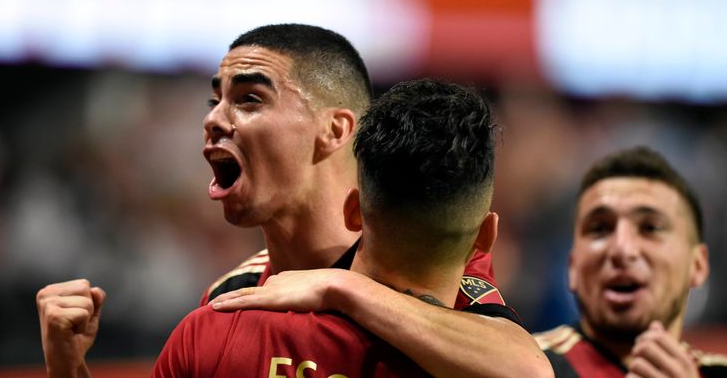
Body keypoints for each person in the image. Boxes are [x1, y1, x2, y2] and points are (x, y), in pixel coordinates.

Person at [37, 24, 550, 378]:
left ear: (333, 130)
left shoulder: (419, 247)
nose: (215, 118)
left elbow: (524, 366)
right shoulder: (229, 303)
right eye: (214, 98)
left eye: (249, 99)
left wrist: (339, 288)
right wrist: (68, 368)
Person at [155, 78, 501, 376]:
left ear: (352, 212)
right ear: (486, 237)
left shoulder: (213, 333)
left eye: (250, 99)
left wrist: (338, 286)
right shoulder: (494, 359)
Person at [534, 146, 727, 377]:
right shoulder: (519, 367)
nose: (621, 249)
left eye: (650, 227)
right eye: (599, 229)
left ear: (698, 265)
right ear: (572, 267)